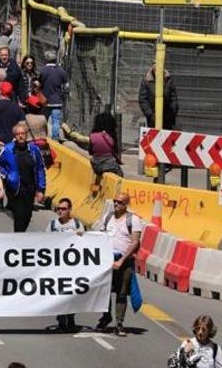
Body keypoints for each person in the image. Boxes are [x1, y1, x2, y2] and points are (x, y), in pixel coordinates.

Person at [96, 191, 143, 337]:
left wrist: (121, 261)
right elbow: (100, 235)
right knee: (105, 292)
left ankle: (119, 322)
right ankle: (106, 317)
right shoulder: (108, 217)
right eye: (115, 201)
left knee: (122, 293)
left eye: (120, 202)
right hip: (108, 261)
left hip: (124, 261)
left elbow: (135, 242)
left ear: (126, 204)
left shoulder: (133, 220)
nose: (116, 204)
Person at [0, 122, 46, 233]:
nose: (20, 136)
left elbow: (40, 170)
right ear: (14, 136)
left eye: (23, 133)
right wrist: (7, 176)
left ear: (26, 134)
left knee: (27, 216)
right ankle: (18, 240)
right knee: (19, 216)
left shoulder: (34, 150)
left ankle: (19, 236)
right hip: (15, 190)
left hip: (30, 189)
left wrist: (41, 189)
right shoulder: (8, 149)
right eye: (18, 134)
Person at [46, 198, 85, 333]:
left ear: (69, 209)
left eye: (63, 209)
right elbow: (44, 245)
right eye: (58, 209)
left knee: (72, 294)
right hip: (58, 267)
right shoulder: (52, 225)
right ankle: (62, 320)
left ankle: (71, 317)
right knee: (60, 295)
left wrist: (81, 236)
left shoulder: (77, 225)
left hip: (73, 268)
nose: (60, 211)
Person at [63, 112, 123, 178]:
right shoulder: (111, 137)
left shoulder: (93, 136)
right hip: (110, 164)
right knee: (119, 172)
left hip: (96, 165)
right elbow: (115, 151)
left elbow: (90, 152)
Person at [0, 81, 26, 152]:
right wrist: (14, 139)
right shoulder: (17, 108)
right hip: (11, 145)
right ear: (11, 94)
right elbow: (22, 125)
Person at [38, 50, 68, 140]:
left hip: (44, 101)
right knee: (56, 121)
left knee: (43, 120)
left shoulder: (42, 70)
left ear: (46, 59)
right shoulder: (61, 71)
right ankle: (55, 139)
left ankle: (42, 137)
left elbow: (37, 84)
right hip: (57, 100)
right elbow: (66, 86)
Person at [138, 64, 179, 129]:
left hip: (167, 117)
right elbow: (143, 100)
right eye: (155, 65)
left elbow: (173, 98)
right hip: (153, 118)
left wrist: (171, 113)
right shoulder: (146, 80)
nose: (157, 67)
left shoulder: (168, 79)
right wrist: (151, 115)